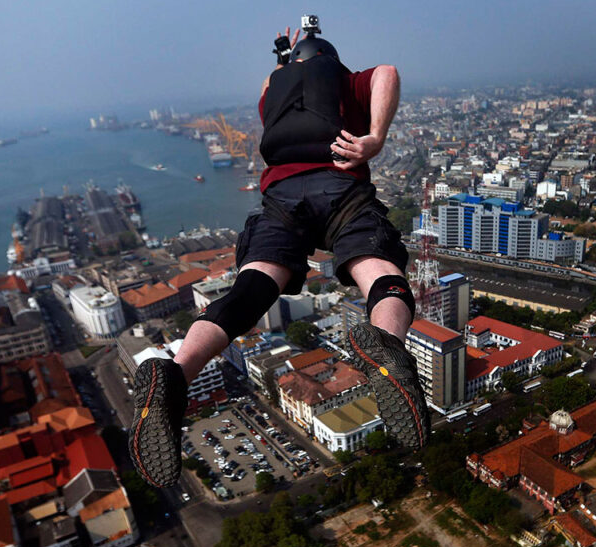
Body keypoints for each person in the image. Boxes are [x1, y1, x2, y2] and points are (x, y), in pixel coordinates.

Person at [129, 21, 430, 488]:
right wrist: (375, 137)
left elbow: (270, 83)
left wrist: (281, 56)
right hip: (340, 183)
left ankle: (174, 375)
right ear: (330, 60)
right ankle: (386, 346)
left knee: (250, 290)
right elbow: (387, 71)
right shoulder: (344, 79)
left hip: (282, 194)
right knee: (380, 271)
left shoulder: (275, 95)